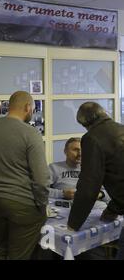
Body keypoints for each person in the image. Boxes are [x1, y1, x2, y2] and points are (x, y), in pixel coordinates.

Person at [0, 91, 49, 260]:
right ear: (28, 107)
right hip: (24, 204)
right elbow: (41, 180)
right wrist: (42, 204)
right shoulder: (31, 133)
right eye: (33, 108)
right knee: (19, 254)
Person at [67, 102, 124, 259]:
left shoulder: (92, 138)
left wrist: (73, 224)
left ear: (85, 123)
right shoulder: (121, 128)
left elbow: (88, 187)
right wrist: (113, 209)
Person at [49, 137, 109, 202]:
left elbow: (111, 193)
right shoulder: (54, 168)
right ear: (65, 151)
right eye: (75, 150)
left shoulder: (96, 169)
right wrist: (63, 194)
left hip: (97, 207)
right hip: (67, 208)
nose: (80, 154)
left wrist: (100, 194)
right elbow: (41, 191)